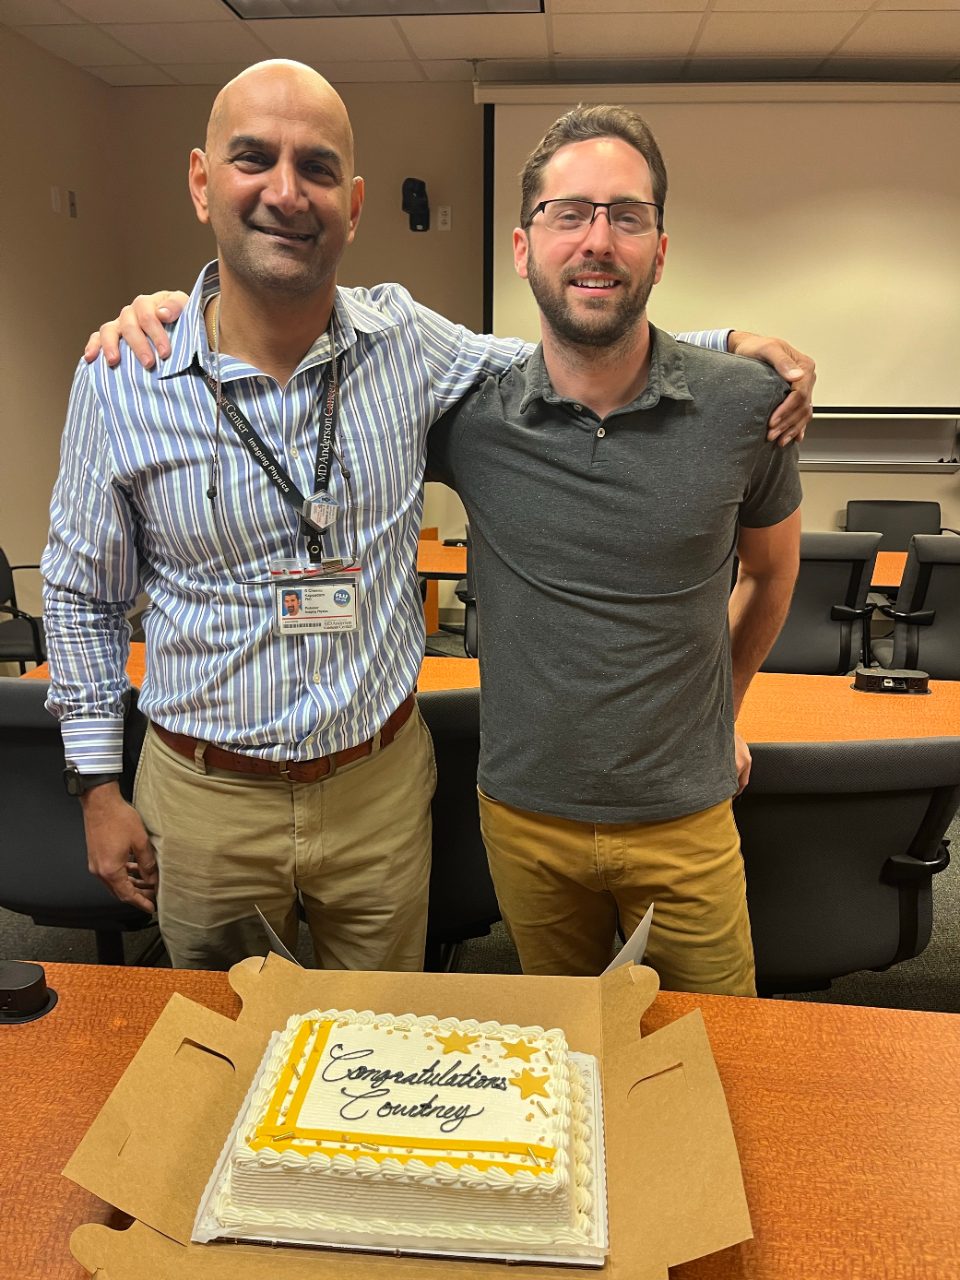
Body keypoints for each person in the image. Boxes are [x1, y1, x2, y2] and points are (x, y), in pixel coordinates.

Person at [62, 61, 813, 976]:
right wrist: (96, 784)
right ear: (200, 181)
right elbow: (78, 595)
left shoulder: (406, 345)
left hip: (376, 788)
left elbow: (576, 345)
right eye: (253, 159)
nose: (286, 192)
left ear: (356, 200)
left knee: (385, 1045)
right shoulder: (121, 376)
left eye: (319, 167)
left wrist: (729, 348)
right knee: (224, 1045)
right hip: (203, 792)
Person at [424, 105, 803, 996]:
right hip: (524, 818)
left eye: (626, 216)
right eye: (571, 213)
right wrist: (187, 305)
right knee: (565, 1064)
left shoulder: (746, 406)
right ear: (524, 248)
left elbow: (774, 571)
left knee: (715, 1058)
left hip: (685, 817)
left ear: (659, 251)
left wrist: (725, 709)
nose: (599, 240)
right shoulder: (468, 419)